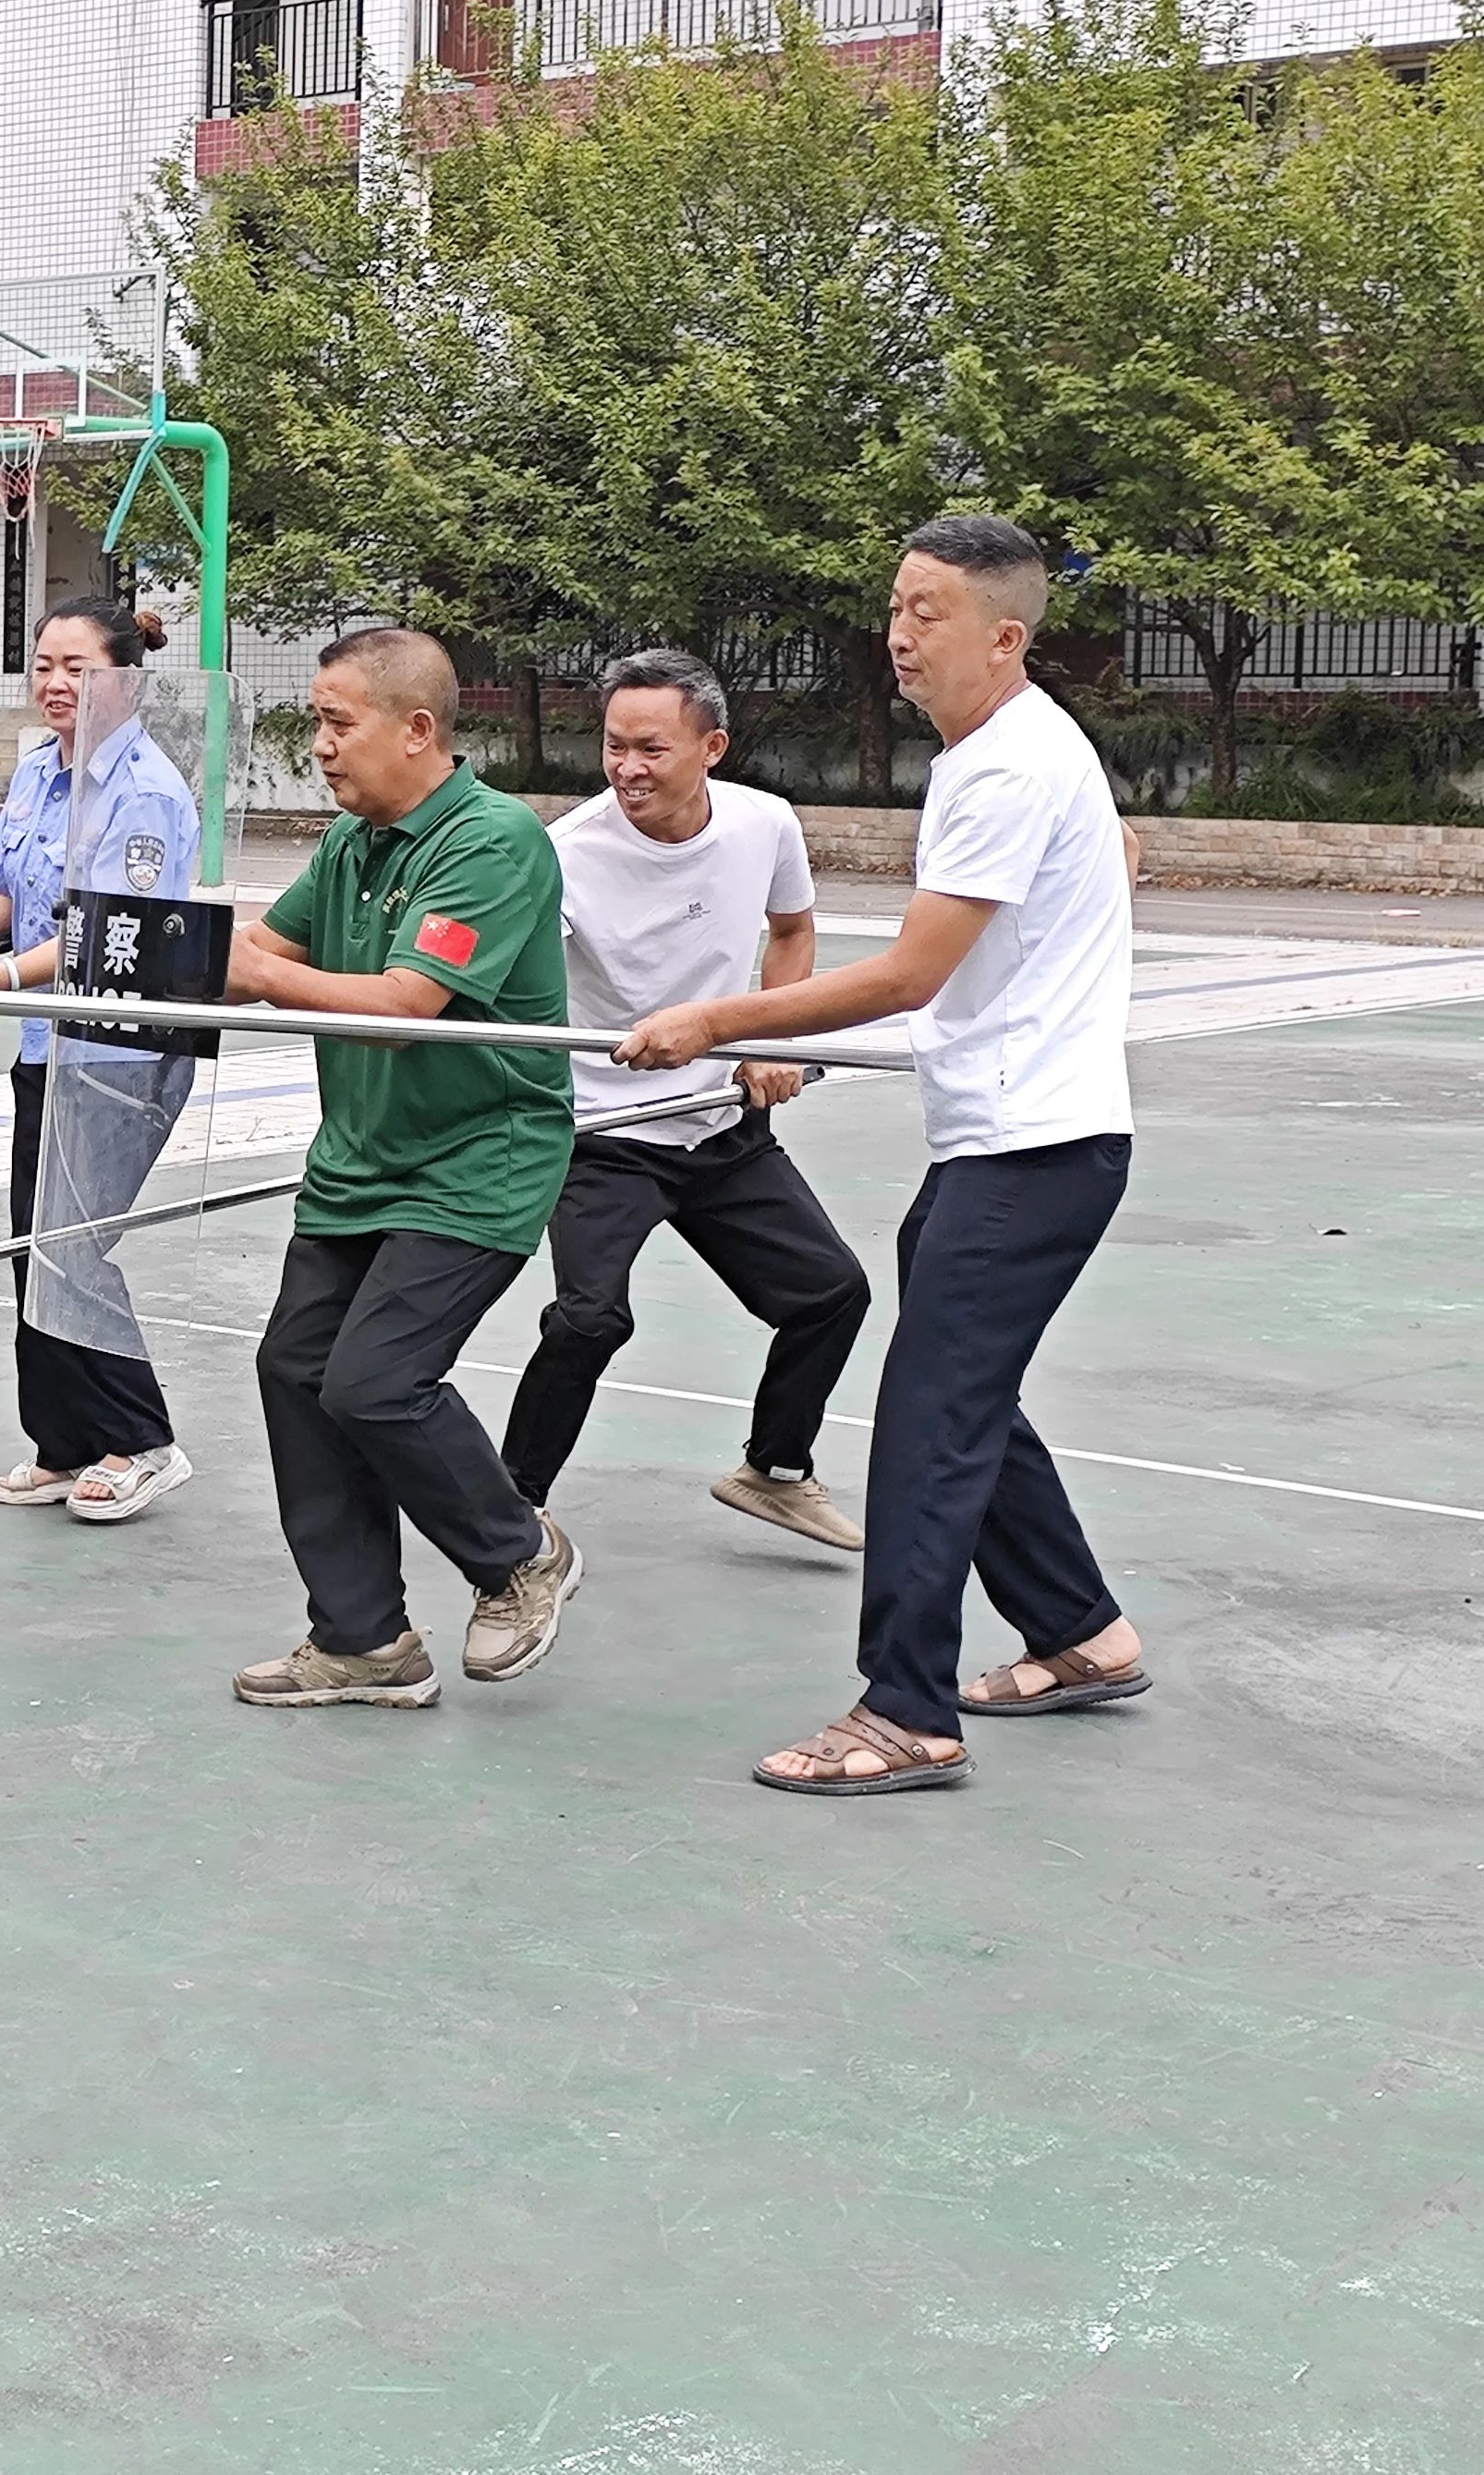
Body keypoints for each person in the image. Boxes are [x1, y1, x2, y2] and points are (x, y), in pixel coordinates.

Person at [614, 515, 1144, 1798]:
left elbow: (911, 975)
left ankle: (905, 1709)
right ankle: (1080, 1631)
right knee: (968, 1397)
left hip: (1034, 1148)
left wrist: (714, 1019)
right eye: (897, 606)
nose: (900, 636)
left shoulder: (1009, 768)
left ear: (1006, 637)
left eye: (930, 614)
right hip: (1002, 1139)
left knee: (929, 1420)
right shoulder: (1009, 753)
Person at [224, 625, 583, 1710]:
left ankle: (517, 1552)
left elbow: (404, 1007)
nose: (320, 748)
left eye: (337, 723)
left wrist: (246, 971)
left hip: (478, 1159)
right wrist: (68, 957)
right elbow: (258, 955)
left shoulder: (491, 840)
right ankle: (362, 1639)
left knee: (374, 1383)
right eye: (315, 725)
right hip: (360, 1159)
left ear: (416, 728)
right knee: (295, 1372)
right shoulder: (353, 841)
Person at [499, 650, 871, 1552]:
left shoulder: (763, 824)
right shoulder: (565, 855)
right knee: (590, 1319)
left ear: (711, 746)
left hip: (720, 1126)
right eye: (613, 746)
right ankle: (507, 1509)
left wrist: (767, 1041)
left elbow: (790, 930)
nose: (627, 768)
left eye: (651, 749)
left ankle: (773, 1471)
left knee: (831, 1294)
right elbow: (517, 985)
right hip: (602, 1132)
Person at [0, 599, 200, 1521]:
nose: (53, 684)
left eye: (76, 668)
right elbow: (9, 887)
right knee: (32, 1246)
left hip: (121, 1054)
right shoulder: (39, 772)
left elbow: (103, 934)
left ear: (123, 678)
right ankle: (62, 1442)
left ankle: (142, 1439)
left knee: (73, 1247)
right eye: (43, 664)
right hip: (47, 1043)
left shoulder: (148, 794)